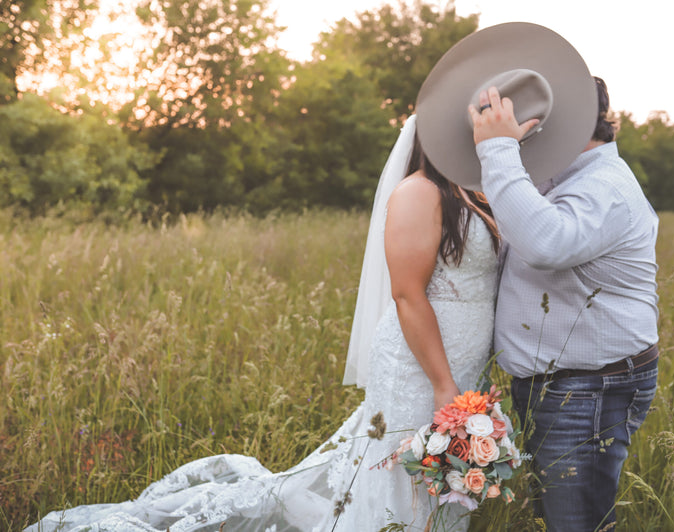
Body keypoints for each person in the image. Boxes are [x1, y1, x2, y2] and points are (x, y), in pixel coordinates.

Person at [26, 114, 500, 532]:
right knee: (400, 474)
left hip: (462, 366)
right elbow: (407, 293)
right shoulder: (421, 191)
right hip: (422, 368)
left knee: (441, 479)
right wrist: (443, 385)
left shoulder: (472, 194)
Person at [467, 78, 659, 531]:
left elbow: (545, 243)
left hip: (589, 390)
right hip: (568, 387)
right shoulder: (571, 176)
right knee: (557, 517)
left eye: (532, 122)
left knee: (577, 523)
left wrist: (497, 149)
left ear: (566, 124)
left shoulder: (603, 186)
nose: (524, 132)